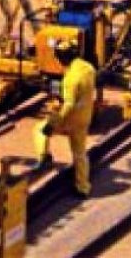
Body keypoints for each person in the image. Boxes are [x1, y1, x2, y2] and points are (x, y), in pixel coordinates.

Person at [34, 38, 97, 198]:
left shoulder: (70, 80)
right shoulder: (88, 69)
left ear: (62, 58)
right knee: (80, 154)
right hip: (85, 117)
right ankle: (83, 187)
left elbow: (68, 104)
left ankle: (44, 156)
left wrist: (54, 123)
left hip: (70, 119)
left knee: (40, 130)